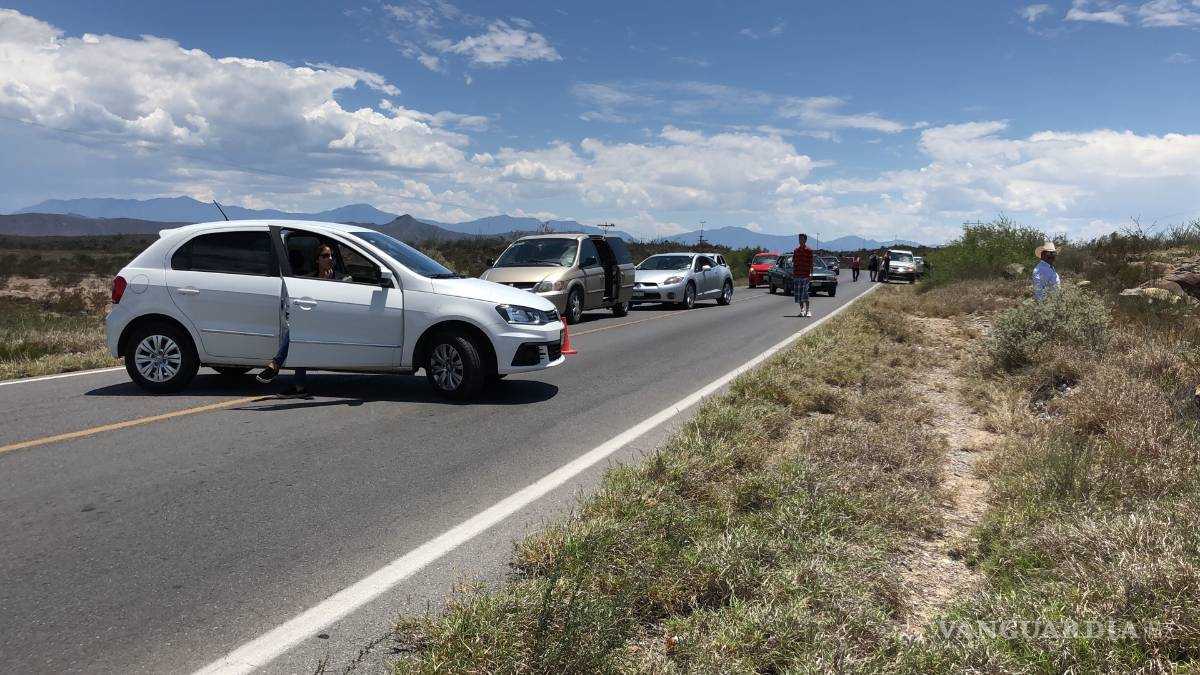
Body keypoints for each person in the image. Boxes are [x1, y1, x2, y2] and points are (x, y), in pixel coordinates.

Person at [256, 245, 349, 397]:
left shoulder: (343, 279)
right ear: (317, 260)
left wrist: (327, 284)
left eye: (332, 255)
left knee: (300, 331)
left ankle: (275, 366)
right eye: (325, 256)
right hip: (313, 324)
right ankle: (298, 387)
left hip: (335, 323)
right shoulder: (307, 280)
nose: (330, 258)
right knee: (300, 333)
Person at [792, 233, 814, 317]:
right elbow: (794, 263)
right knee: (798, 294)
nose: (800, 240)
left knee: (805, 293)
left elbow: (811, 263)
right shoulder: (796, 251)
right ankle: (802, 310)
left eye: (801, 239)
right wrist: (794, 274)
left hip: (805, 275)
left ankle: (808, 310)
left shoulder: (809, 251)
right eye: (799, 239)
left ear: (805, 240)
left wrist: (811, 273)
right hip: (797, 275)